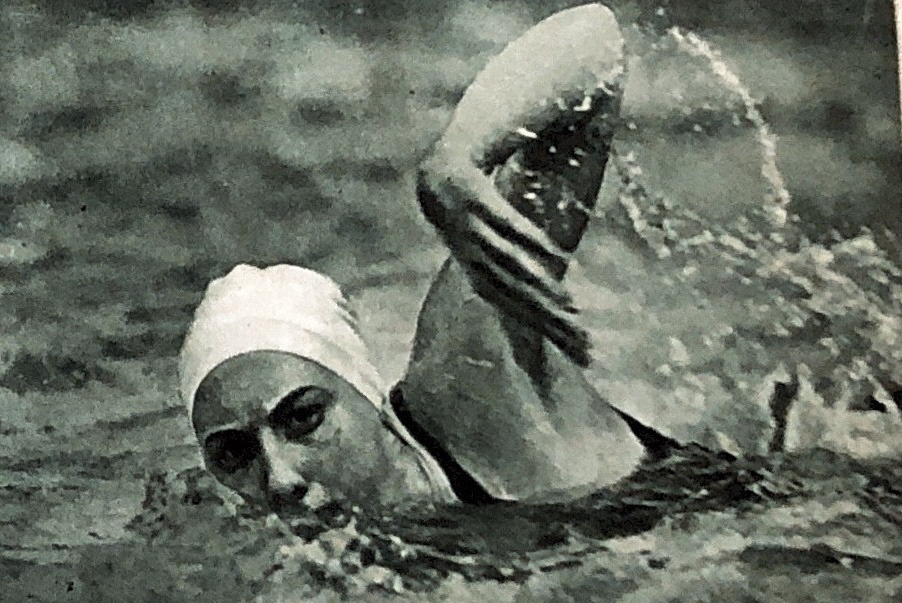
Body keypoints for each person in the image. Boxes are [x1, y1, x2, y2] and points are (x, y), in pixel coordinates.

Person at [178, 3, 675, 517]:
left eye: (304, 418)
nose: (280, 479)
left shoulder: (472, 390)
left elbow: (595, 37)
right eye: (233, 454)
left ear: (365, 393)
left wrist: (458, 158)